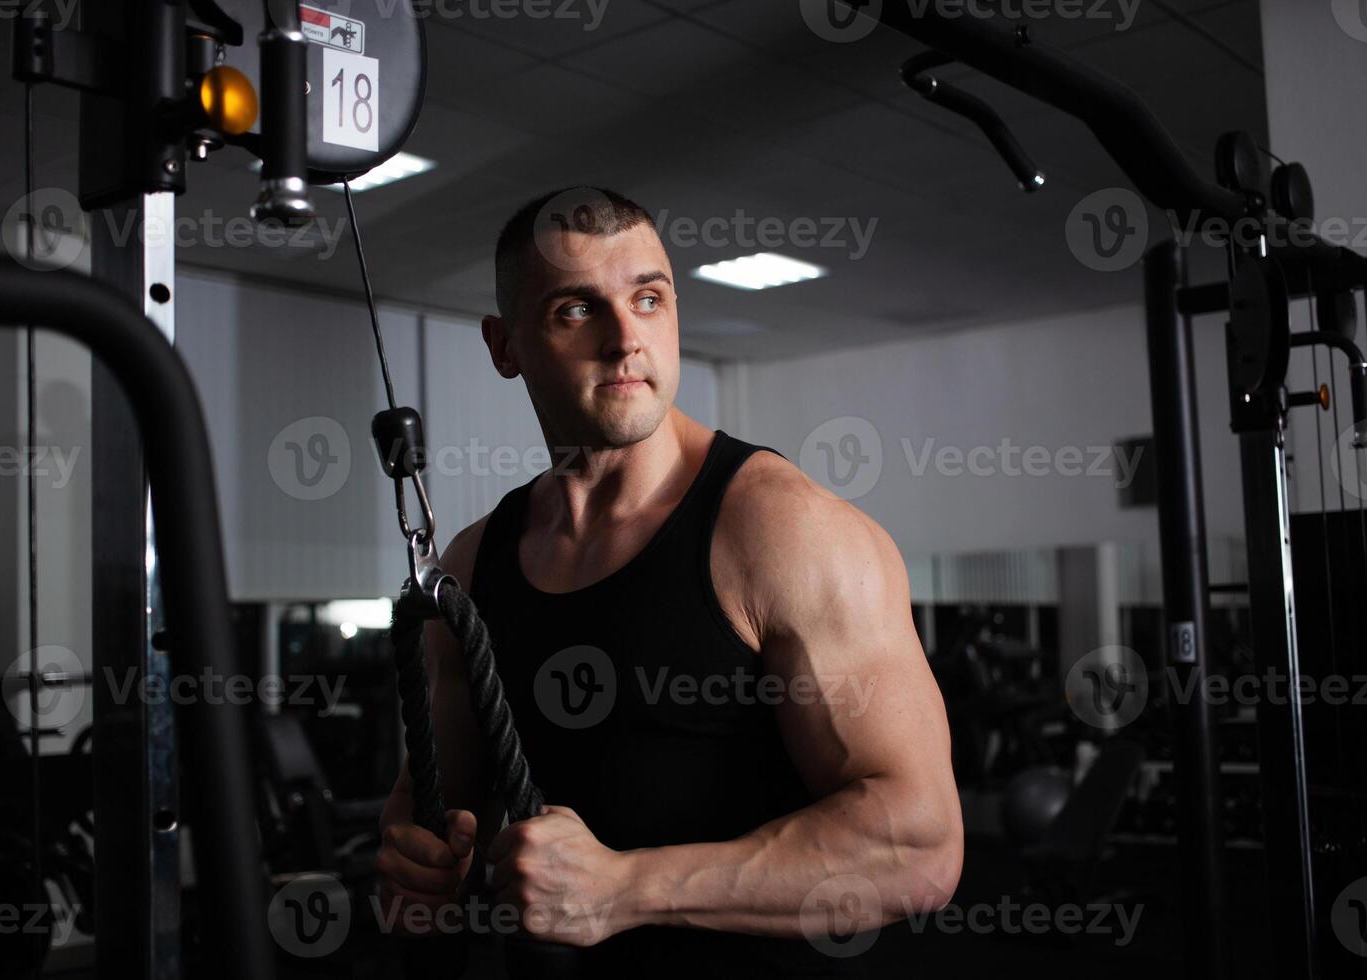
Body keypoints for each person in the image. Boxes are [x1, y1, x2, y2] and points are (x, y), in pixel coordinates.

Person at [377, 187, 962, 976]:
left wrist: (626, 888)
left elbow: (918, 844)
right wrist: (415, 865)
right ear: (504, 346)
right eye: (577, 310)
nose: (626, 341)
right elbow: (432, 811)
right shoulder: (471, 565)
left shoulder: (784, 531)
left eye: (648, 298)